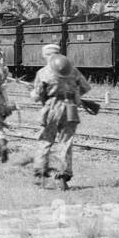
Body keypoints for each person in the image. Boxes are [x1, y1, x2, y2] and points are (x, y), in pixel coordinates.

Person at [32, 52, 91, 189]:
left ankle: (40, 175)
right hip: (70, 109)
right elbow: (85, 87)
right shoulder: (73, 71)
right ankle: (63, 177)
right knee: (66, 143)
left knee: (45, 141)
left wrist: (38, 95)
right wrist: (72, 94)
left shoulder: (43, 72)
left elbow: (37, 95)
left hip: (51, 109)